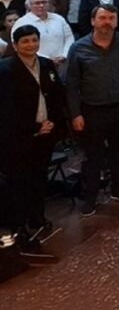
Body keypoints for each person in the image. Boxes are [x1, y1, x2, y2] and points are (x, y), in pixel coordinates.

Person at [65, 5, 119, 216]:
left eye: (111, 18)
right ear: (93, 21)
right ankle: (90, 196)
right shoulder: (78, 48)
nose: (107, 22)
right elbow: (72, 84)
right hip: (91, 110)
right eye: (102, 18)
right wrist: (75, 114)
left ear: (116, 21)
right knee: (93, 155)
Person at [0, 25, 68, 247]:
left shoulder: (46, 64)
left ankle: (37, 217)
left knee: (39, 177)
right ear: (15, 45)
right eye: (25, 41)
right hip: (18, 136)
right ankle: (18, 225)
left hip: (46, 131)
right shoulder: (5, 69)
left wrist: (53, 123)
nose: (31, 45)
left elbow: (57, 96)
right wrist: (34, 127)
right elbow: (6, 108)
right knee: (19, 180)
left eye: (34, 40)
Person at [12, 0, 74, 66]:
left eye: (44, 2)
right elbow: (18, 44)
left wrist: (64, 55)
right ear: (30, 5)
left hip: (62, 62)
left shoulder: (59, 19)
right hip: (36, 64)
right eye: (37, 3)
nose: (41, 5)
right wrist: (47, 60)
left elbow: (69, 38)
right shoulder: (22, 22)